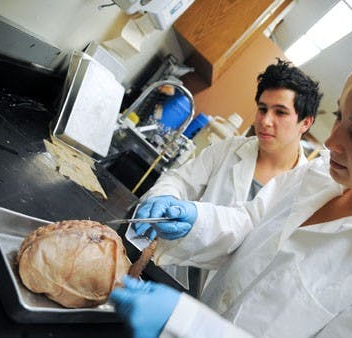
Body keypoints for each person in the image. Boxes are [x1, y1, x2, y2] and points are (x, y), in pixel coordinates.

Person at [110, 38, 352, 338]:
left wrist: (186, 325)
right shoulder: (324, 175)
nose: (331, 142)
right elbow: (250, 222)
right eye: (340, 116)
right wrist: (194, 221)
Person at [135, 59, 322, 293]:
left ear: (305, 122)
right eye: (262, 109)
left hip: (229, 298)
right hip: (179, 271)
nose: (265, 121)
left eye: (280, 112)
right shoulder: (229, 149)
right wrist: (162, 198)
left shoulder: (305, 190)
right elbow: (180, 181)